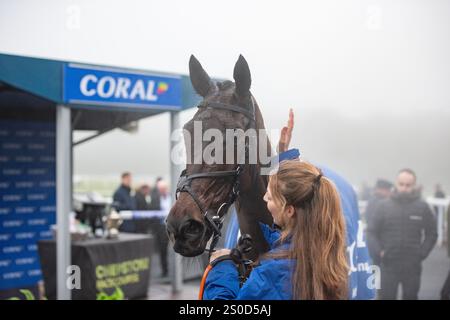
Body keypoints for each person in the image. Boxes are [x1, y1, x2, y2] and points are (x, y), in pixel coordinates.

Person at [203, 160, 349, 299]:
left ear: (289, 211)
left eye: (271, 197)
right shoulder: (326, 256)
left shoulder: (274, 272)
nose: (265, 198)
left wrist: (223, 266)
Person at [367, 168, 437, 299]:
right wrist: (380, 252)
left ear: (413, 186)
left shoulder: (422, 207)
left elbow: (432, 233)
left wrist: (421, 253)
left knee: (410, 297)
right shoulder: (383, 206)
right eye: (401, 184)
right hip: (388, 264)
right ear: (396, 183)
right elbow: (371, 232)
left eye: (408, 185)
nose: (404, 188)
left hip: (412, 265)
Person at [149, 178, 171, 277]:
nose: (162, 191)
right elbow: (152, 212)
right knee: (163, 250)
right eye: (160, 189)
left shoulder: (173, 197)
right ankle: (165, 270)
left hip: (174, 226)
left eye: (163, 188)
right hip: (161, 228)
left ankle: (179, 274)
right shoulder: (155, 199)